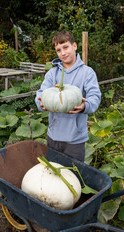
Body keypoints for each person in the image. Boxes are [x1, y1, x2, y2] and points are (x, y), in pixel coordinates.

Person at [35, 31, 101, 162]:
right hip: (53, 136)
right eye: (58, 50)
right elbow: (41, 93)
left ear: (74, 46)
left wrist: (84, 106)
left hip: (75, 139)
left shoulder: (87, 73)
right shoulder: (52, 73)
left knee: (74, 176)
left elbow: (95, 97)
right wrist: (41, 104)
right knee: (54, 174)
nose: (63, 53)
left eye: (65, 47)